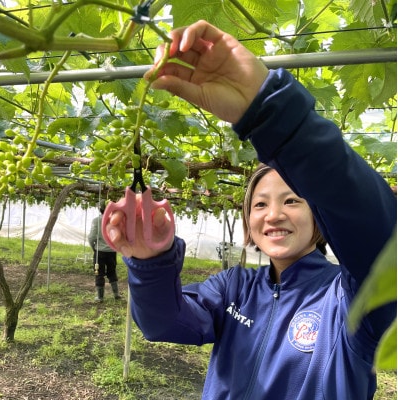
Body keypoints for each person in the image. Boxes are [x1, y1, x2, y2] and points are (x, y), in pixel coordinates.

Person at [104, 20, 396, 399]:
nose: (272, 215)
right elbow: (166, 323)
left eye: (292, 200)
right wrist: (150, 263)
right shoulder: (233, 287)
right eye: (260, 204)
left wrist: (272, 112)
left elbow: (378, 236)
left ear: (319, 218)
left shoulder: (348, 298)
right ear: (248, 221)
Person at [88, 201, 121, 302]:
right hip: (112, 251)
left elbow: (92, 237)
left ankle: (100, 297)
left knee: (99, 272)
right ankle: (116, 294)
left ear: (100, 209)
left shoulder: (96, 221)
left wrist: (93, 247)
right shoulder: (115, 220)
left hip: (100, 251)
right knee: (112, 271)